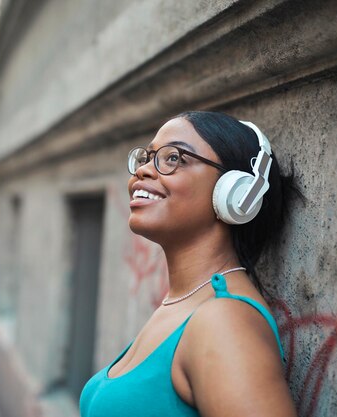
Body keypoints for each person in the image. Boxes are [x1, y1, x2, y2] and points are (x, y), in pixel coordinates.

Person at [80, 111, 298, 416]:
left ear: (237, 194)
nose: (143, 170)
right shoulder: (183, 304)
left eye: (174, 158)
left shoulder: (224, 321)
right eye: (148, 156)